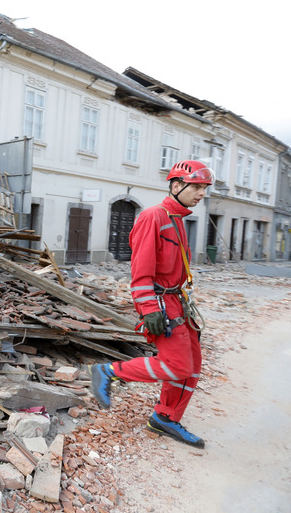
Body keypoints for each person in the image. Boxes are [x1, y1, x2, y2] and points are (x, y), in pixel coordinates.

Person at [89, 160, 215, 448]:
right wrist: (149, 310)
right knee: (177, 365)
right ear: (175, 185)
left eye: (204, 188)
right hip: (160, 303)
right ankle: (108, 371)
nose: (201, 194)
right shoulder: (152, 217)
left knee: (192, 366)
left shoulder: (178, 219)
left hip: (178, 301)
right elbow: (140, 273)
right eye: (196, 187)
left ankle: (165, 418)